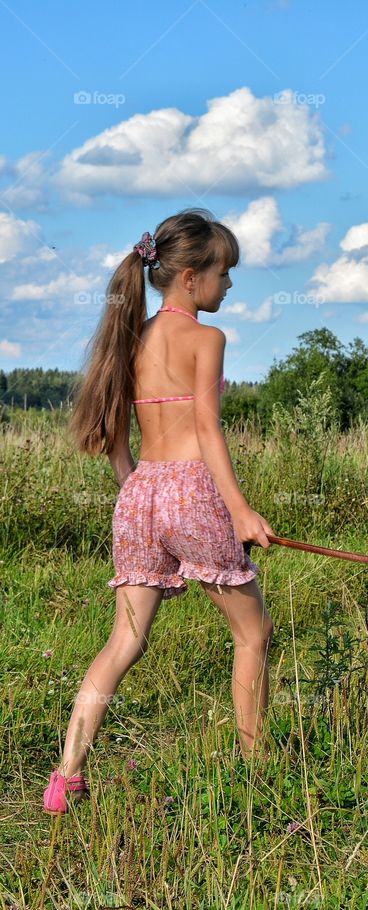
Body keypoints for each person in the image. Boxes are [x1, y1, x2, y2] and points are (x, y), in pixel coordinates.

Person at [43, 209, 276, 815]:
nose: (229, 285)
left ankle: (66, 777)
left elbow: (117, 432)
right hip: (193, 492)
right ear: (191, 279)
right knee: (253, 633)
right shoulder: (207, 339)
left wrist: (136, 489)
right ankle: (257, 769)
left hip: (140, 493)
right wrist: (242, 512)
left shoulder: (133, 334)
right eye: (225, 273)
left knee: (125, 640)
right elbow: (207, 429)